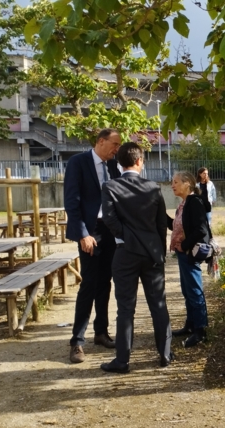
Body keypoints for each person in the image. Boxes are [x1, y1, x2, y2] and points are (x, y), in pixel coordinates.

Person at [99, 142, 172, 373]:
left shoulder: (110, 186)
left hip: (125, 254)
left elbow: (109, 220)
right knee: (158, 305)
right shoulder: (153, 187)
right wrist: (160, 251)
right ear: (140, 161)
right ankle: (165, 354)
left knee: (125, 308)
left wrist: (127, 237)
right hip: (152, 253)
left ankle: (122, 360)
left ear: (118, 163)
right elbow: (162, 223)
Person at [64, 128, 122, 364]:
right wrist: (83, 234)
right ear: (101, 141)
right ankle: (77, 341)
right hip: (91, 231)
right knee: (89, 283)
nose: (117, 149)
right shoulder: (78, 163)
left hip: (110, 230)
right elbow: (71, 201)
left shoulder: (113, 166)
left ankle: (101, 332)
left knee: (105, 283)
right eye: (115, 144)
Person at [168, 171, 211, 348]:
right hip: (182, 253)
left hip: (189, 253)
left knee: (194, 291)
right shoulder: (184, 204)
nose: (173, 185)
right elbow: (176, 226)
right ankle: (191, 325)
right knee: (187, 291)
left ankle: (200, 331)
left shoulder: (194, 202)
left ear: (187, 184)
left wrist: (185, 245)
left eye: (176, 182)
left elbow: (201, 229)